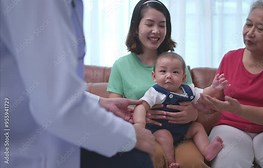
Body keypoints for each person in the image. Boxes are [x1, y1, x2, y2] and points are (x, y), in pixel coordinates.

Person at [0, 1, 156, 168]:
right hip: (25, 149)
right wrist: (132, 136)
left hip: (42, 140)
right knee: (136, 159)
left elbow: (45, 88)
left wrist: (100, 102)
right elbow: (56, 106)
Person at [105, 1, 214, 167]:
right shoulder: (121, 66)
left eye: (162, 25)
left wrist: (192, 114)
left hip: (183, 134)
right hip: (148, 135)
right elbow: (114, 113)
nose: (156, 30)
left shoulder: (176, 62)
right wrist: (141, 118)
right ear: (136, 27)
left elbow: (194, 100)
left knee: (192, 162)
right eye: (149, 24)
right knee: (152, 158)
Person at [198, 0, 263, 167]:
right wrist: (205, 105)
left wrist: (240, 109)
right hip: (231, 128)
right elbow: (215, 100)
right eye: (248, 24)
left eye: (260, 29)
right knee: (226, 160)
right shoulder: (230, 58)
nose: (249, 33)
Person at [133, 52, 227, 168]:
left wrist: (213, 87)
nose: (169, 76)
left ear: (183, 78)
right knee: (165, 136)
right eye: (163, 71)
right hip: (160, 129)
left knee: (197, 127)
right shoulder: (155, 92)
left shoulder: (188, 90)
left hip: (183, 130)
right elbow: (141, 106)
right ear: (154, 76)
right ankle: (171, 162)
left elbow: (203, 94)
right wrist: (139, 124)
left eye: (175, 72)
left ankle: (207, 150)